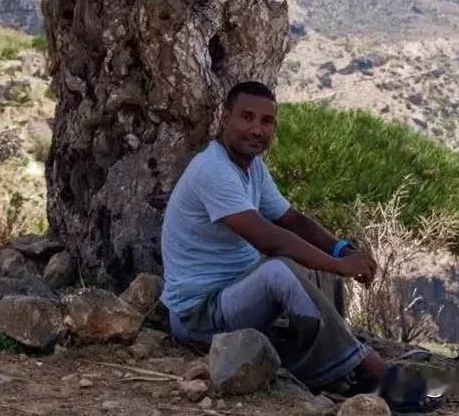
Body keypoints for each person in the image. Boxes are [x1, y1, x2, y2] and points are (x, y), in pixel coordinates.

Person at [160, 80, 442, 413]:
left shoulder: (252, 169)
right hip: (199, 314)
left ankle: (346, 365)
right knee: (282, 268)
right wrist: (335, 264)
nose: (256, 129)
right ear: (224, 118)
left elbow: (291, 220)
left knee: (316, 261)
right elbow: (267, 237)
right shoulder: (213, 170)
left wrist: (341, 251)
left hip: (234, 296)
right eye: (246, 117)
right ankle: (371, 368)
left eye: (266, 122)